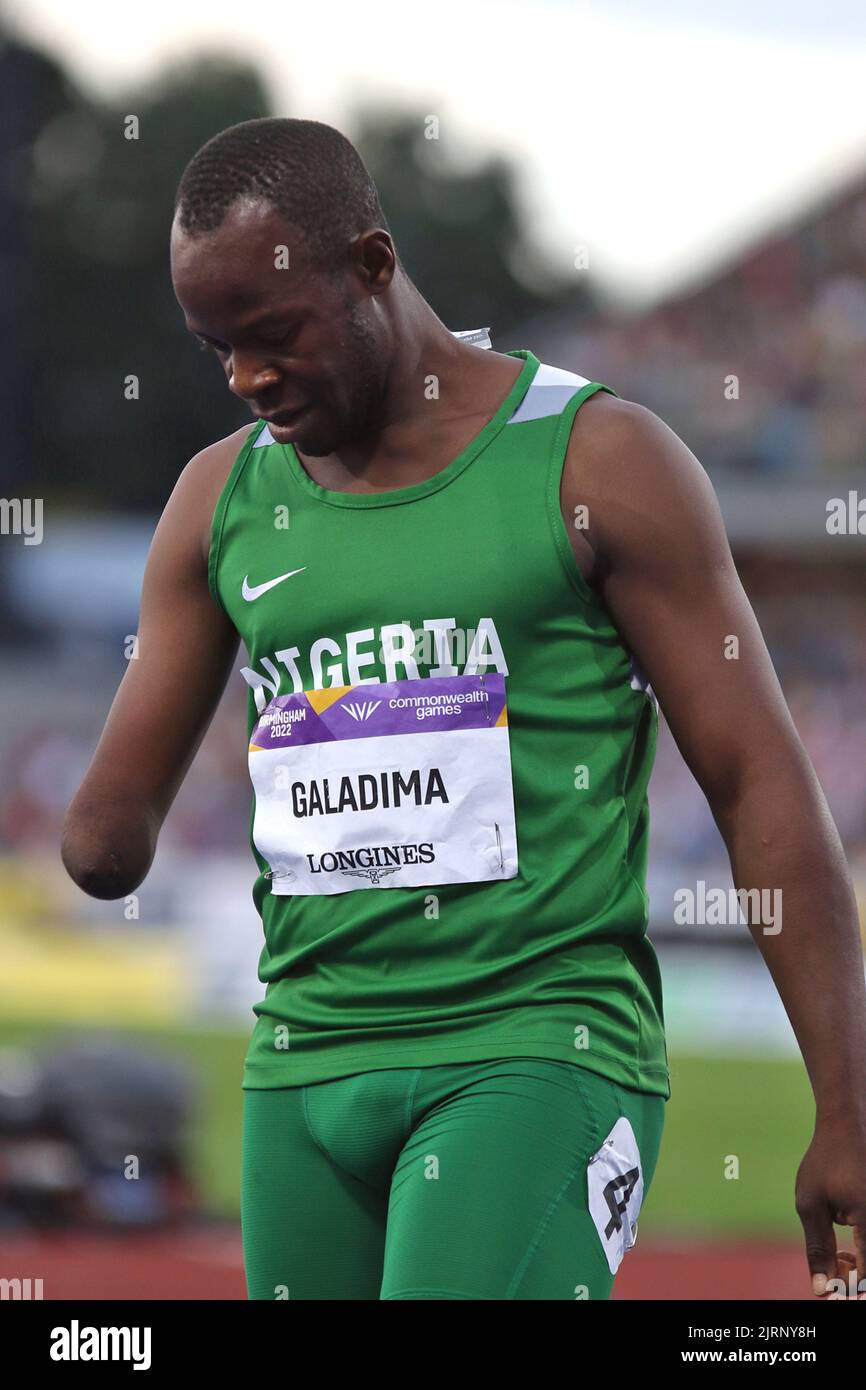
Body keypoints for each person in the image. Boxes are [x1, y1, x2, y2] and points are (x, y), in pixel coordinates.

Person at [61, 117, 866, 1301]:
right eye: (215, 348)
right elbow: (104, 836)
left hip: (535, 1048)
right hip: (302, 1061)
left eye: (272, 334)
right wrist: (105, 835)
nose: (245, 377)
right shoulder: (217, 504)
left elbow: (756, 780)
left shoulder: (597, 462)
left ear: (373, 267)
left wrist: (844, 1107)